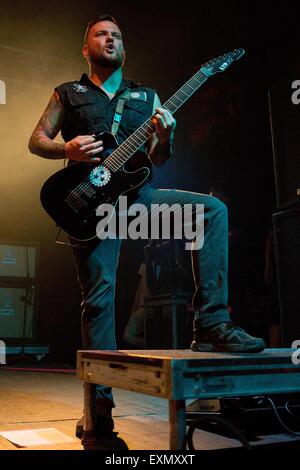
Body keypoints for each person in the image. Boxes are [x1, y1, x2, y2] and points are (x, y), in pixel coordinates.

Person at [28, 14, 265, 443]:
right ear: (86, 48)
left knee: (211, 211)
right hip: (91, 204)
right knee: (99, 299)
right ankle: (100, 404)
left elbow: (158, 159)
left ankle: (210, 326)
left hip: (139, 199)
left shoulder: (148, 96)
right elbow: (36, 140)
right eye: (101, 34)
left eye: (117, 35)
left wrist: (166, 135)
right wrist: (66, 147)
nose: (110, 39)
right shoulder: (69, 93)